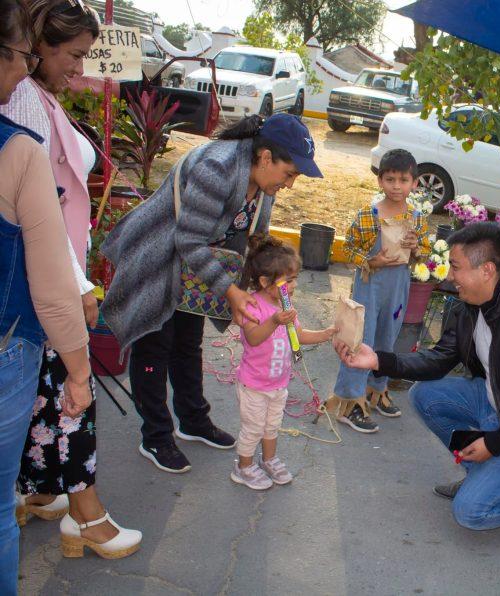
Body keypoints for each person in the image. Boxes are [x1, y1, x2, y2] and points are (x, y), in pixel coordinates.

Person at [335, 222, 500, 540]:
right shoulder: (467, 307)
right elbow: (438, 360)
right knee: (424, 396)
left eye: (456, 267)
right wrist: (377, 360)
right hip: (498, 402)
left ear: (487, 270)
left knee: (471, 513)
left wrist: (494, 443)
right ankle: (480, 475)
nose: (449, 276)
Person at [101, 113, 323, 474]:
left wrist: (256, 291)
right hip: (161, 255)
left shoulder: (264, 184)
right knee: (155, 341)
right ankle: (156, 435)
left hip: (195, 269)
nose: (290, 184)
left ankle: (193, 420)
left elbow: (256, 243)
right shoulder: (217, 168)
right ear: (265, 157)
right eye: (290, 173)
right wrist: (231, 292)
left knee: (188, 341)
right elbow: (187, 239)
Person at [1, 0, 140, 558]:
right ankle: (85, 515)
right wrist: (78, 285)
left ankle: (40, 495)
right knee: (72, 396)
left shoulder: (42, 100)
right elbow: (40, 215)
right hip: (51, 280)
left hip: (56, 274)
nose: (80, 69)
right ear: (37, 51)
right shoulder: (26, 104)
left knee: (48, 397)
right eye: (74, 56)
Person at [0, 0, 93, 583]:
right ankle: (85, 514)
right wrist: (80, 370)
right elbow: (52, 277)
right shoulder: (18, 141)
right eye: (19, 56)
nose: (21, 67)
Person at [326, 148, 429, 433]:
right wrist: (371, 260)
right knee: (359, 339)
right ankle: (350, 401)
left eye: (404, 180)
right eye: (390, 179)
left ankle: (376, 390)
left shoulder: (416, 218)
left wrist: (416, 248)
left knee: (387, 337)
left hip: (398, 287)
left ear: (415, 183)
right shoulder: (367, 215)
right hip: (369, 286)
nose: (397, 186)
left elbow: (424, 254)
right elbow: (348, 249)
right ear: (380, 181)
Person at [230, 234, 336, 490]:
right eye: (288, 280)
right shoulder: (253, 306)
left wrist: (326, 333)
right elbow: (253, 338)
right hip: (254, 385)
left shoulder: (285, 304)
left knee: (272, 426)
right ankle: (243, 466)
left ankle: (269, 459)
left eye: (295, 278)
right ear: (266, 282)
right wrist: (275, 321)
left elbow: (298, 335)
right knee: (253, 428)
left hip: (278, 384)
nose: (294, 284)